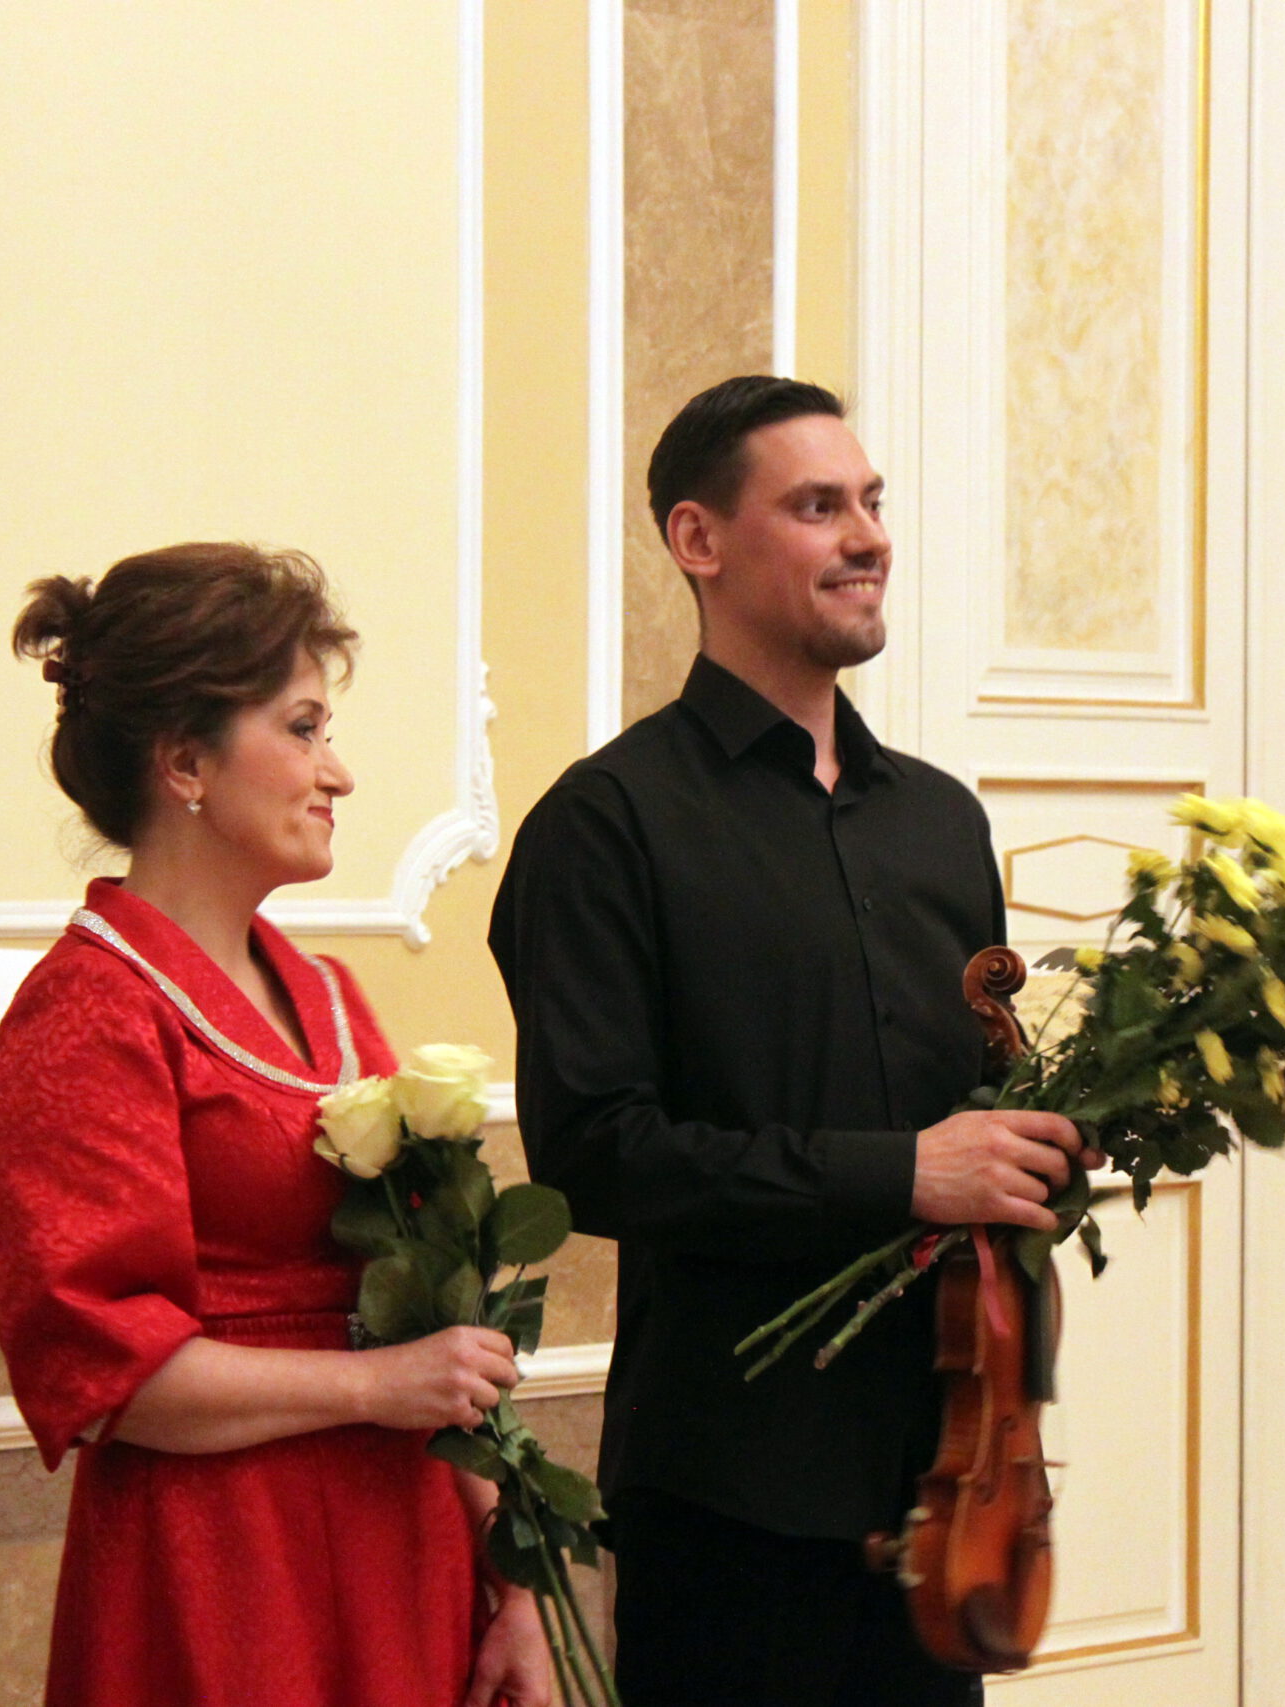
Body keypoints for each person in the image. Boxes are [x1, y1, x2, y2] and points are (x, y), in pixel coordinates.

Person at [489, 378, 1091, 1706]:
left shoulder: (941, 822)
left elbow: (983, 1121)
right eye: (818, 507)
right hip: (732, 1496)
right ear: (698, 539)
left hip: (948, 1474)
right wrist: (903, 1172)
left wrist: (1065, 1137)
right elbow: (596, 1153)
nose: (868, 536)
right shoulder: (605, 823)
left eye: (870, 501)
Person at [0, 543, 551, 1707]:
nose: (338, 772)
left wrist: (516, 1585)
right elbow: (107, 1375)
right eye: (302, 729)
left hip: (402, 1549)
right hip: (222, 1566)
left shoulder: (331, 999)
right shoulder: (87, 1013)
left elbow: (437, 1310)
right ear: (186, 760)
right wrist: (374, 1387)